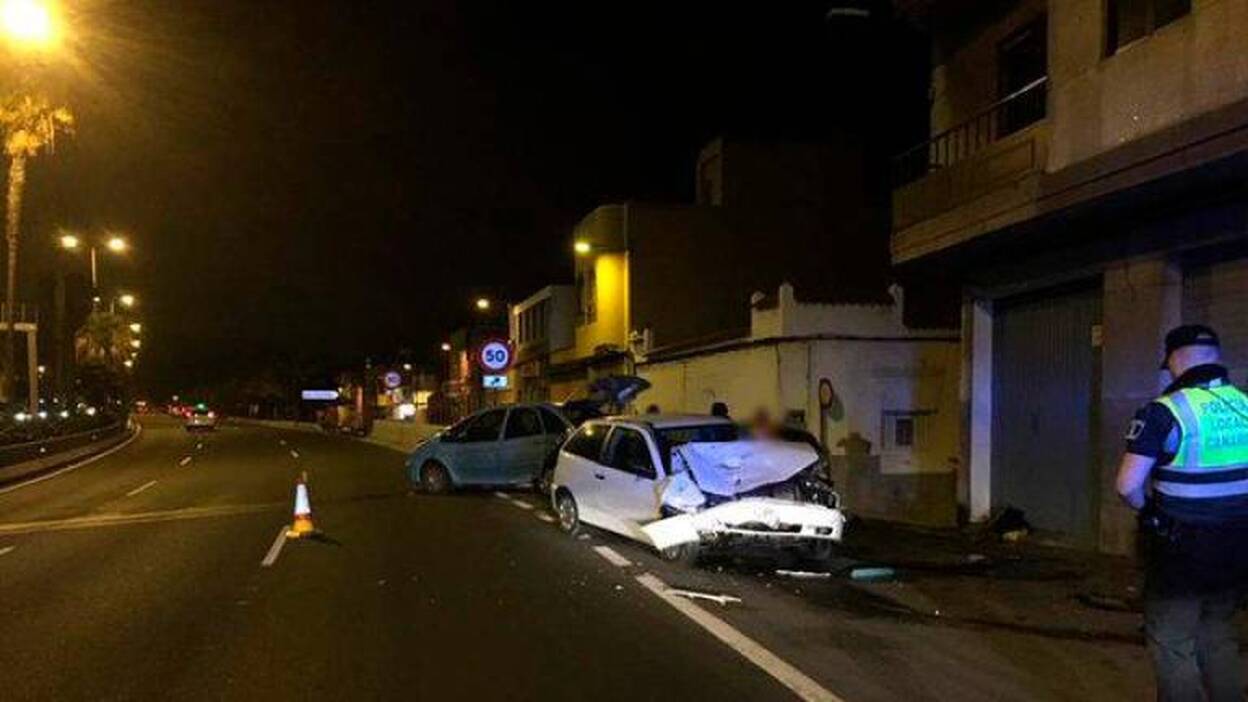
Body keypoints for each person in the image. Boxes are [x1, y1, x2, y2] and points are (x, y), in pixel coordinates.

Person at [1115, 324, 1248, 702]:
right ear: (1216, 358)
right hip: (1239, 545)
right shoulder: (1245, 405)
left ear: (1175, 361)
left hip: (1182, 548)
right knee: (1218, 631)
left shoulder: (1164, 412)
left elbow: (1127, 486)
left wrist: (1150, 512)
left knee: (1172, 638)